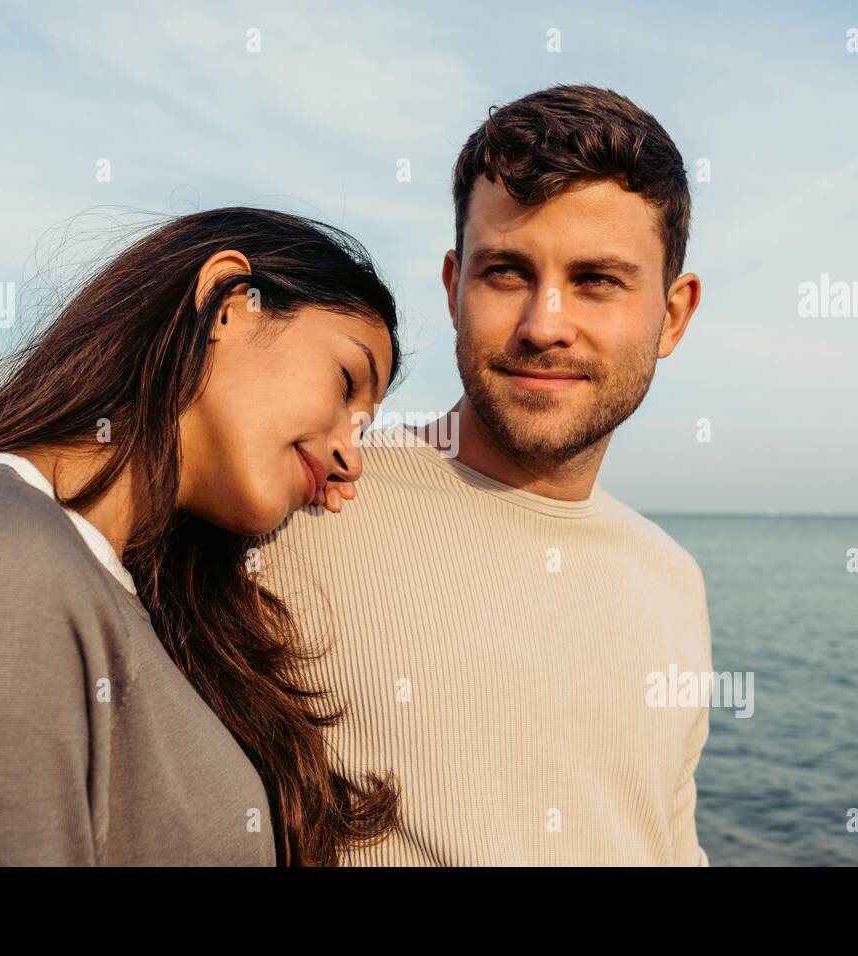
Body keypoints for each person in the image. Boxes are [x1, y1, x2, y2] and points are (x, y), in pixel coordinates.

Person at [0, 207, 402, 866]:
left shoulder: (88, 577)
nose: (350, 458)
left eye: (363, 428)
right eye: (346, 384)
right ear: (228, 302)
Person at [254, 84, 712, 864]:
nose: (545, 325)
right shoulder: (303, 505)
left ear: (672, 315)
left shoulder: (673, 579)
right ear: (453, 286)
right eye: (506, 272)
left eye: (598, 280)